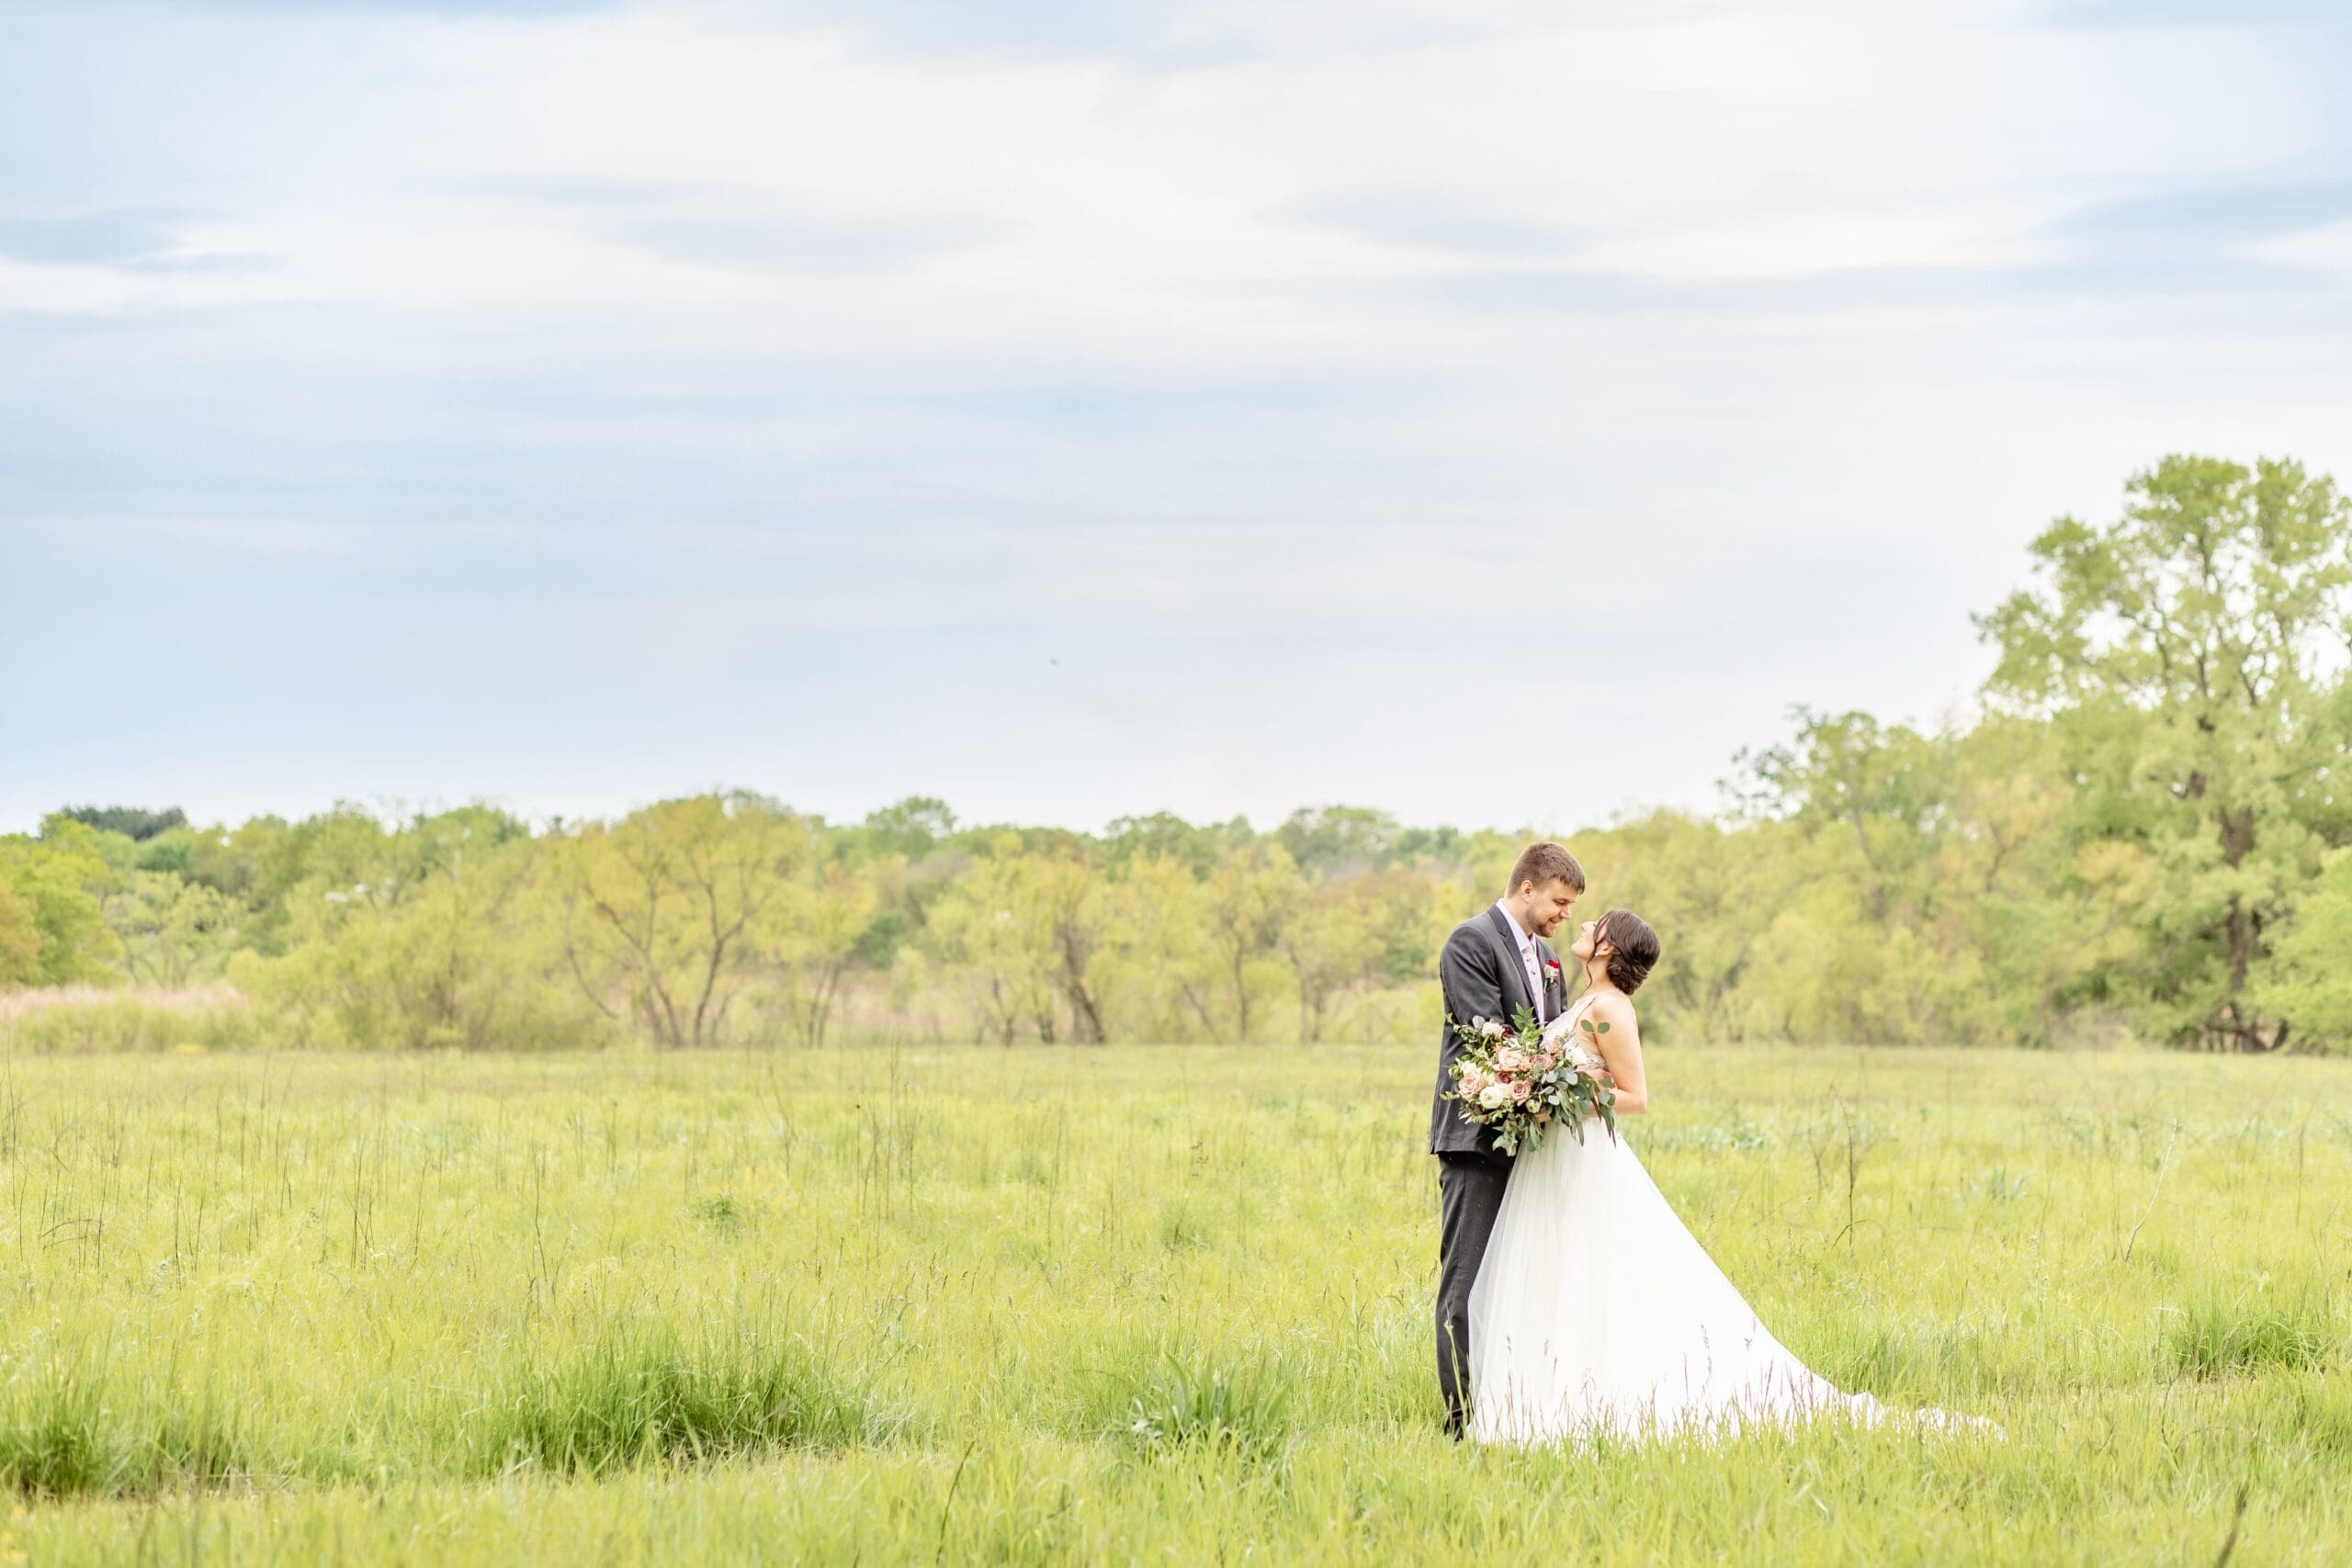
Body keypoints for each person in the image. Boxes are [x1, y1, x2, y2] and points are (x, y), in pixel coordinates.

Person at [1464, 908, 1982, 1442]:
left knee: (1587, 1269)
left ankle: (1587, 1399)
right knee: (1556, 1268)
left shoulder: (1612, 1011)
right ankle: (1538, 1392)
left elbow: (1635, 1096)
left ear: (1608, 948)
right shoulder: (1588, 1004)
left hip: (1583, 1157)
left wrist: (1560, 1096)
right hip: (1554, 1157)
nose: (1583, 925)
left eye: (1594, 924)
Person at [1430, 840, 1581, 1437]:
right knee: (1465, 1287)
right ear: (1528, 888)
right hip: (1476, 1140)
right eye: (1558, 901)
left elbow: (1555, 1037)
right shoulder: (1470, 941)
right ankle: (1460, 1422)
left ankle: (1511, 1409)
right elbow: (1485, 1034)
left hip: (1533, 1144)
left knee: (1520, 1280)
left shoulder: (1547, 959)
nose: (1563, 914)